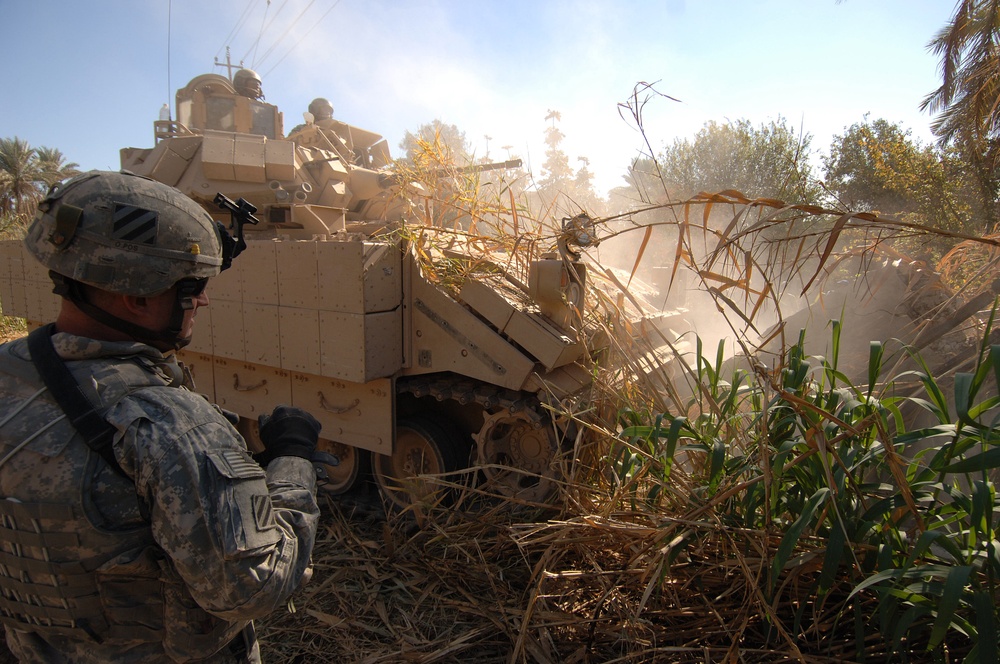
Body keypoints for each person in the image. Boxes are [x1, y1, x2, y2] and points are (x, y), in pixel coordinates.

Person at [0, 170, 320, 662]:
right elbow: (253, 587)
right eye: (190, 286)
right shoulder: (169, 427)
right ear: (140, 296)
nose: (203, 300)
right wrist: (292, 463)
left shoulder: (10, 372)